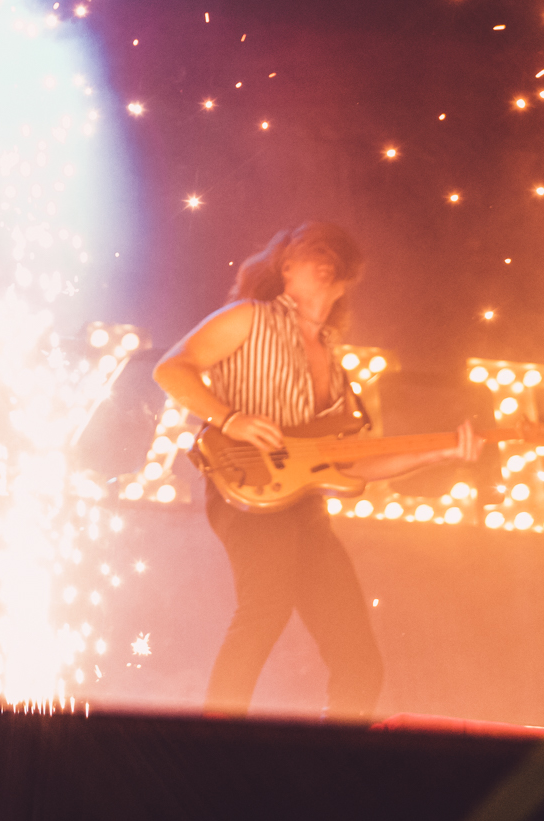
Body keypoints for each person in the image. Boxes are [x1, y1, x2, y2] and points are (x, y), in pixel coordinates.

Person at [151, 221, 482, 719]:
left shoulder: (333, 357)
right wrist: (231, 418)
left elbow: (354, 463)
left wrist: (441, 452)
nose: (325, 257)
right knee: (265, 611)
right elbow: (171, 368)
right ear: (284, 267)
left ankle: (336, 764)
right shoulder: (248, 317)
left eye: (335, 253)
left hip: (306, 511)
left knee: (360, 661)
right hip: (248, 490)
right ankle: (213, 741)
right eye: (312, 250)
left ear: (348, 278)